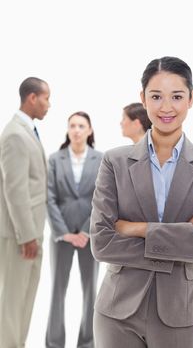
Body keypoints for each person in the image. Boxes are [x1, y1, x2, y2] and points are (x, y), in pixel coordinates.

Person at [90, 56, 193, 348]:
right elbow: (102, 243)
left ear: (191, 99)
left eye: (177, 96)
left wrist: (138, 228)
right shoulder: (115, 161)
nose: (166, 107)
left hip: (182, 311)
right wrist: (185, 231)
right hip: (117, 313)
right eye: (156, 96)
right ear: (143, 98)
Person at [0, 77, 50, 348]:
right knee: (12, 303)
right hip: (20, 235)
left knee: (25, 301)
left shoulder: (27, 131)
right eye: (46, 98)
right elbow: (14, 190)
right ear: (32, 97)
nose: (49, 105)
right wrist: (26, 236)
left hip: (33, 232)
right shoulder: (14, 134)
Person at [45, 111, 102, 348]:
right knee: (57, 290)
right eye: (72, 126)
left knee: (91, 291)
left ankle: (87, 342)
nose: (76, 130)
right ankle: (54, 343)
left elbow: (103, 199)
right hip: (62, 235)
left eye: (81, 125)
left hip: (91, 236)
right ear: (68, 130)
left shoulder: (100, 159)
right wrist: (65, 232)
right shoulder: (55, 159)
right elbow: (49, 198)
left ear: (89, 130)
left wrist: (87, 231)